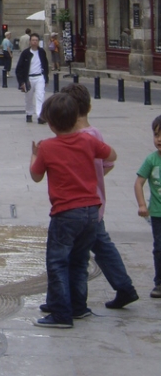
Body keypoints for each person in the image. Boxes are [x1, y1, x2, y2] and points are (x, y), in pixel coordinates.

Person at [30, 93, 116, 327]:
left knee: (58, 262)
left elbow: (36, 176)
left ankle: (60, 314)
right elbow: (112, 155)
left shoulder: (47, 147)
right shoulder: (88, 141)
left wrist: (34, 155)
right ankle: (79, 307)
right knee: (79, 261)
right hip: (91, 211)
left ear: (50, 122)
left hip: (66, 212)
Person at [49, 83, 137, 310]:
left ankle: (76, 300)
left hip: (80, 204)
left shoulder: (78, 138)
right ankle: (122, 287)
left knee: (81, 254)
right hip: (95, 201)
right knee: (100, 245)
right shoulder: (94, 133)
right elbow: (108, 163)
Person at [134, 113, 161, 299]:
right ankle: (159, 282)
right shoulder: (151, 160)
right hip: (158, 214)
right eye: (156, 135)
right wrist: (142, 204)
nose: (159, 139)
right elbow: (138, 183)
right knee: (159, 248)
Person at [16, 33, 49, 123]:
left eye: (36, 40)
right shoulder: (25, 53)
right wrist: (21, 82)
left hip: (39, 76)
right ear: (30, 42)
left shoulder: (42, 52)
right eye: (33, 40)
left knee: (40, 96)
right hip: (29, 78)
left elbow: (45, 65)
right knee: (29, 97)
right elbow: (19, 68)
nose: (35, 42)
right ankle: (29, 113)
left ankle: (40, 115)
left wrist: (46, 78)